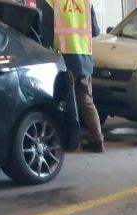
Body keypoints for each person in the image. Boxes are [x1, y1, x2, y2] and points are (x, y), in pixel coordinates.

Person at [39, 0, 104, 153]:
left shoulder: (50, 2)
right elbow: (95, 31)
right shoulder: (86, 3)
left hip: (63, 59)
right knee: (86, 100)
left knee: (59, 102)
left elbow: (45, 35)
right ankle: (98, 140)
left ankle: (60, 141)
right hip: (84, 58)